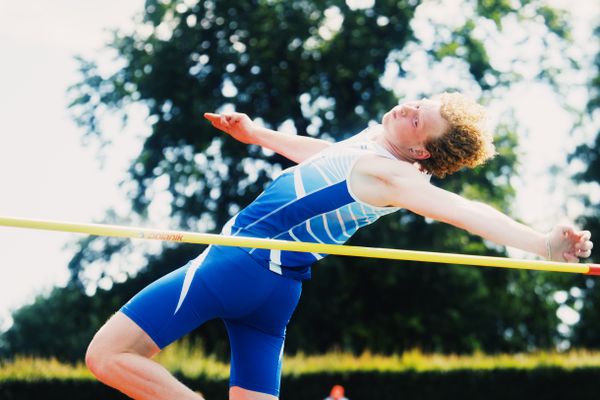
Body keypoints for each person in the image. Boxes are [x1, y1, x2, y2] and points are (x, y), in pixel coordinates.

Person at [84, 92, 594, 400]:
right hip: (276, 295)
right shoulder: (373, 150)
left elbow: (465, 213)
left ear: (420, 151)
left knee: (106, 356)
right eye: (420, 103)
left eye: (418, 120)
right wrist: (257, 135)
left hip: (236, 263)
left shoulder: (395, 175)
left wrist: (541, 242)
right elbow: (324, 158)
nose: (408, 109)